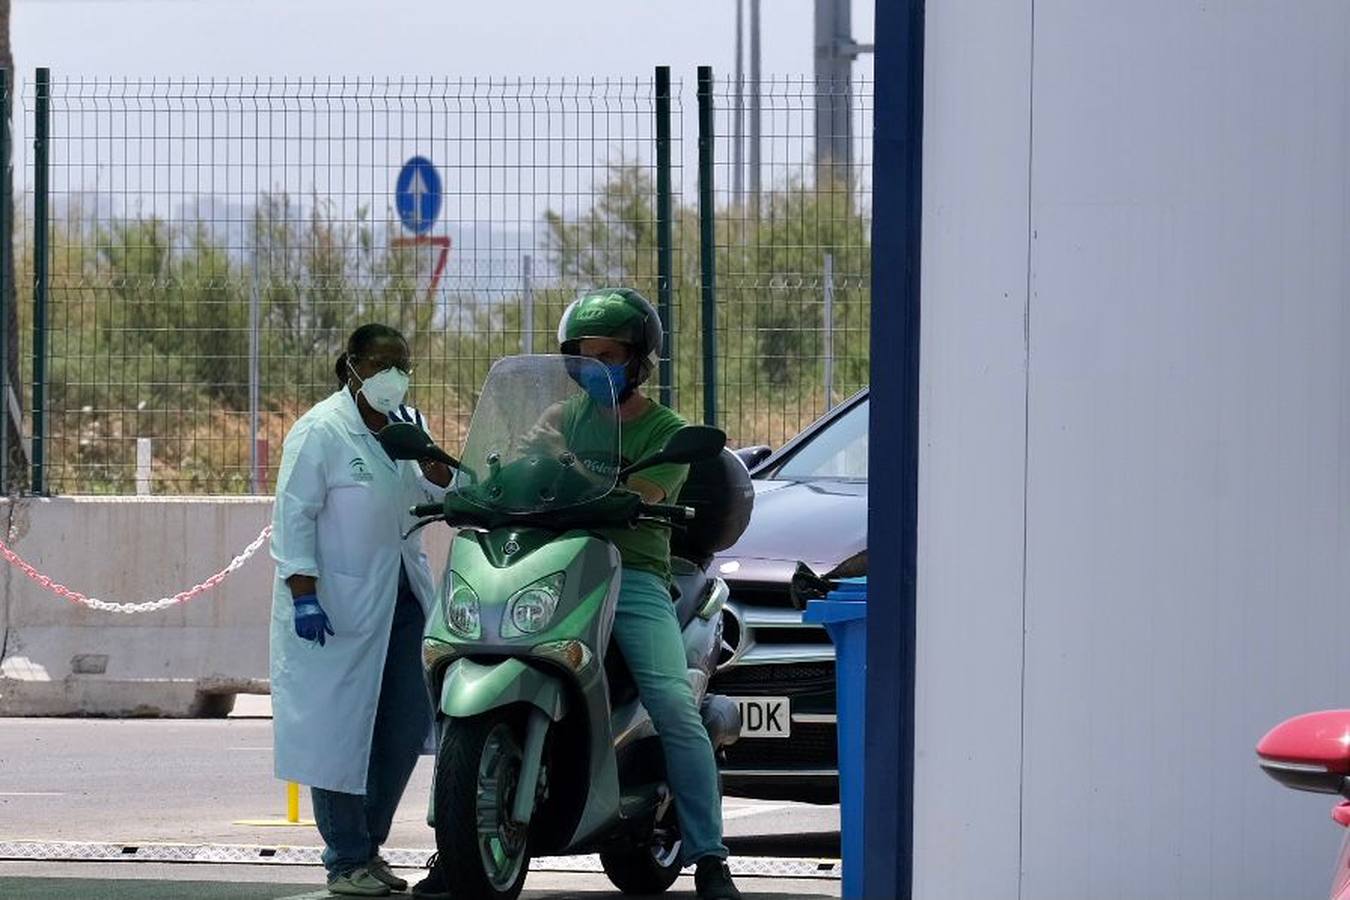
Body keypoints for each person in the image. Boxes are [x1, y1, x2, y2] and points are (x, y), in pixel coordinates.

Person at [558, 288, 743, 900]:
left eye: (608, 355)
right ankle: (457, 843)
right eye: (584, 356)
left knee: (672, 704)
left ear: (638, 361)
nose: (595, 367)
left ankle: (710, 856)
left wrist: (585, 480)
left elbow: (648, 492)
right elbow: (516, 467)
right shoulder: (560, 418)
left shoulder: (666, 429)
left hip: (629, 574)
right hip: (557, 568)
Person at [269, 323, 452, 898]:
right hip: (335, 605)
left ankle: (369, 848)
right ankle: (345, 857)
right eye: (380, 363)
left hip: (403, 600)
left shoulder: (409, 426)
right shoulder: (320, 431)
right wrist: (303, 594)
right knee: (339, 733)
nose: (392, 374)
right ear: (351, 367)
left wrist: (435, 461)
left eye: (401, 363)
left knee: (403, 726)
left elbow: (441, 498)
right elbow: (294, 517)